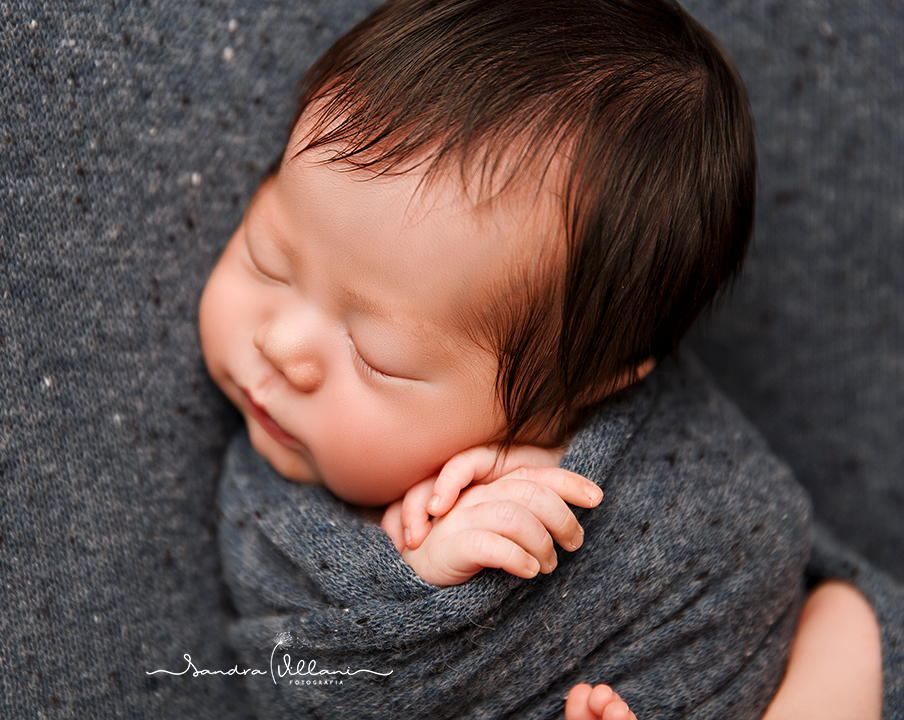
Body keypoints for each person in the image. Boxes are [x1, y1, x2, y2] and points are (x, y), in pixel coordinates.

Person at [199, 0, 880, 718]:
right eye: (267, 259)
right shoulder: (278, 504)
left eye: (379, 358)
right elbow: (303, 671)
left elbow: (755, 542)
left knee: (850, 624)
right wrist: (415, 585)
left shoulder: (678, 476)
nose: (278, 347)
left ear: (587, 383)